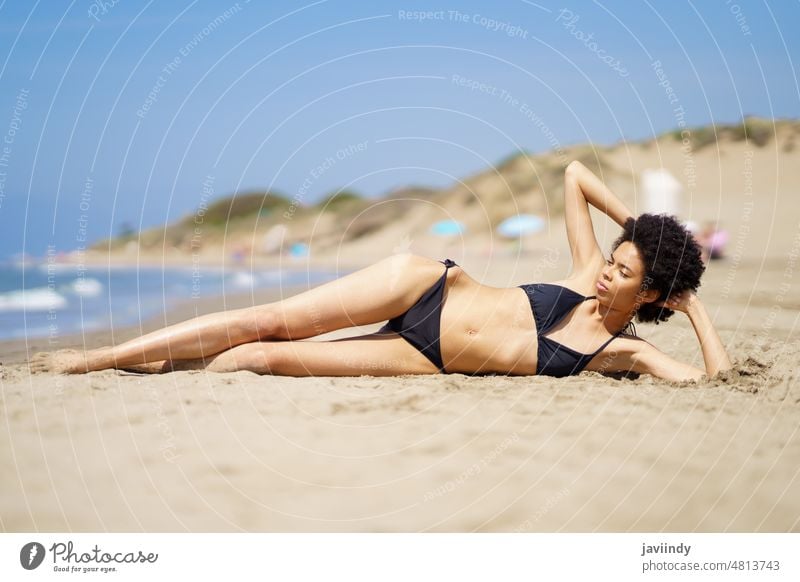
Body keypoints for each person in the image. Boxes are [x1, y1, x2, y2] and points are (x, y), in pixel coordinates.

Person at [29, 161, 733, 382]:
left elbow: (711, 383)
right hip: (424, 284)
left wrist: (692, 305)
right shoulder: (586, 270)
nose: (607, 274)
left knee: (260, 359)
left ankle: (167, 365)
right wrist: (638, 231)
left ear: (653, 295)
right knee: (263, 318)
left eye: (624, 273)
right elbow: (576, 175)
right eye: (612, 262)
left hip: (421, 358)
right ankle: (95, 360)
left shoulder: (627, 353)